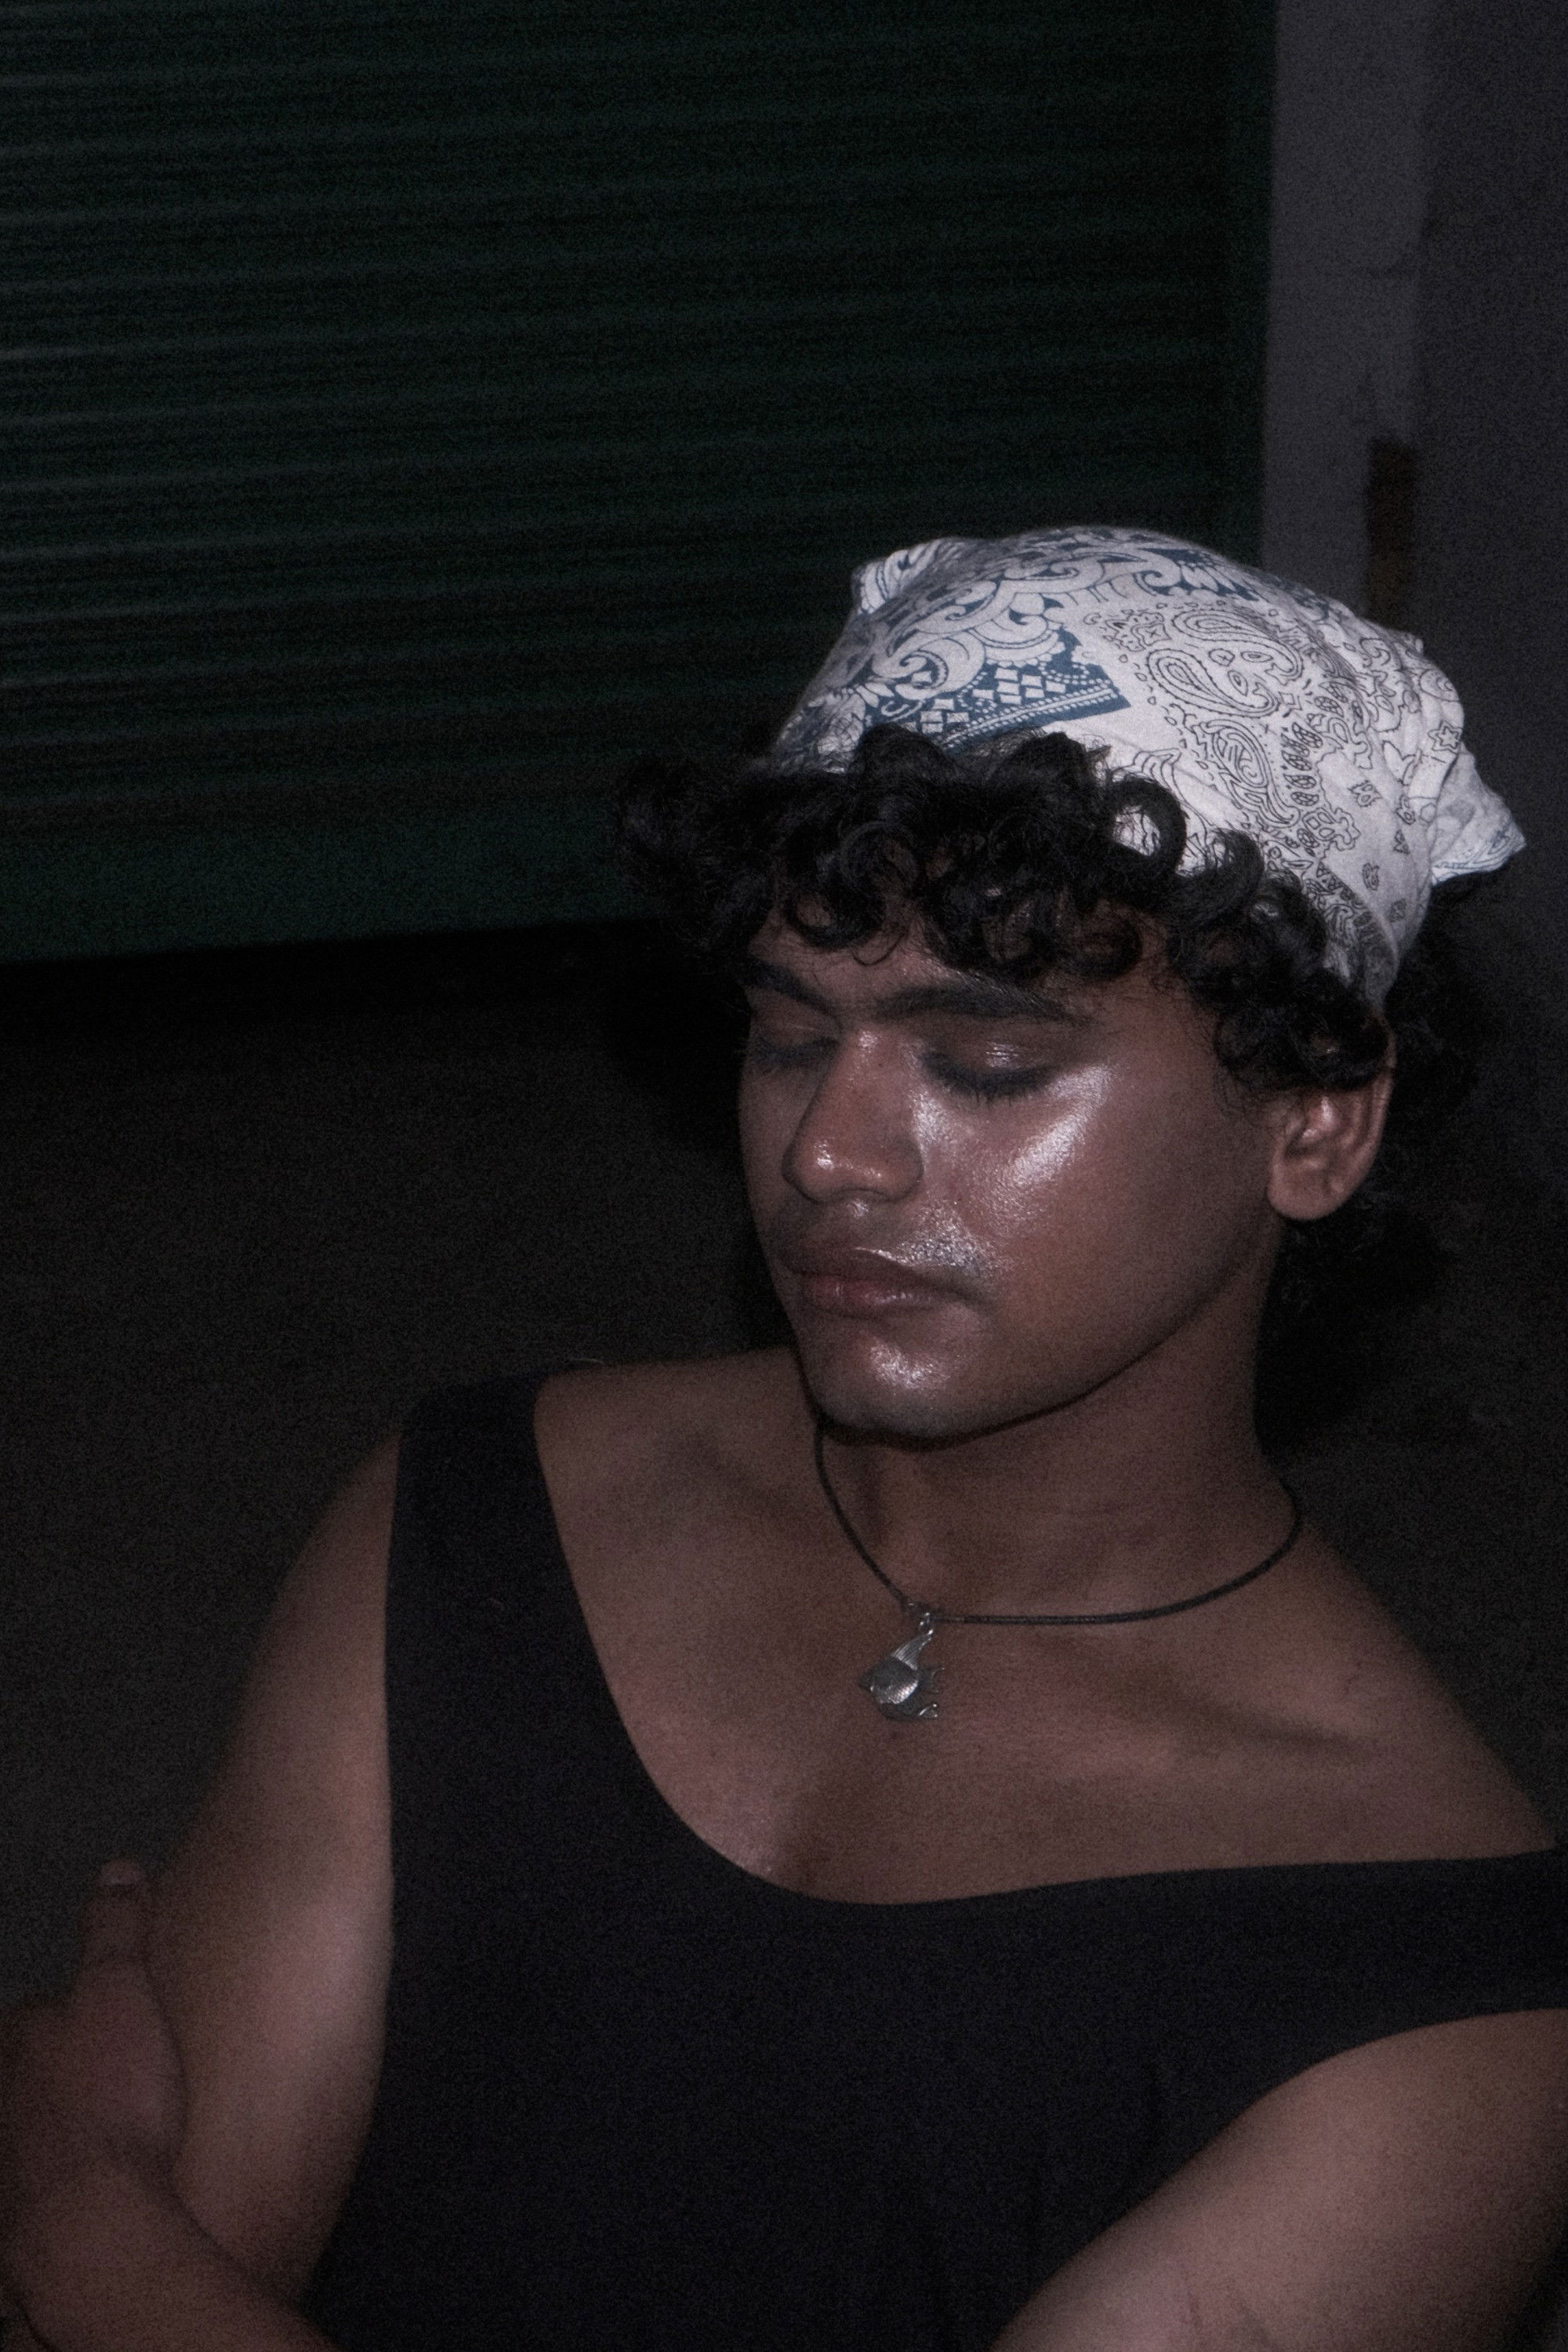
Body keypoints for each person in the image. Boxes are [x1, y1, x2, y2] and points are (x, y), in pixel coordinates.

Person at [6, 525, 1568, 2352]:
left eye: (985, 1064)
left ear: (1315, 1119)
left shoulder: (1427, 1985)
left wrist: (87, 2236)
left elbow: (113, 2262)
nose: (830, 1154)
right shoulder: (482, 1518)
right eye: (788, 1038)